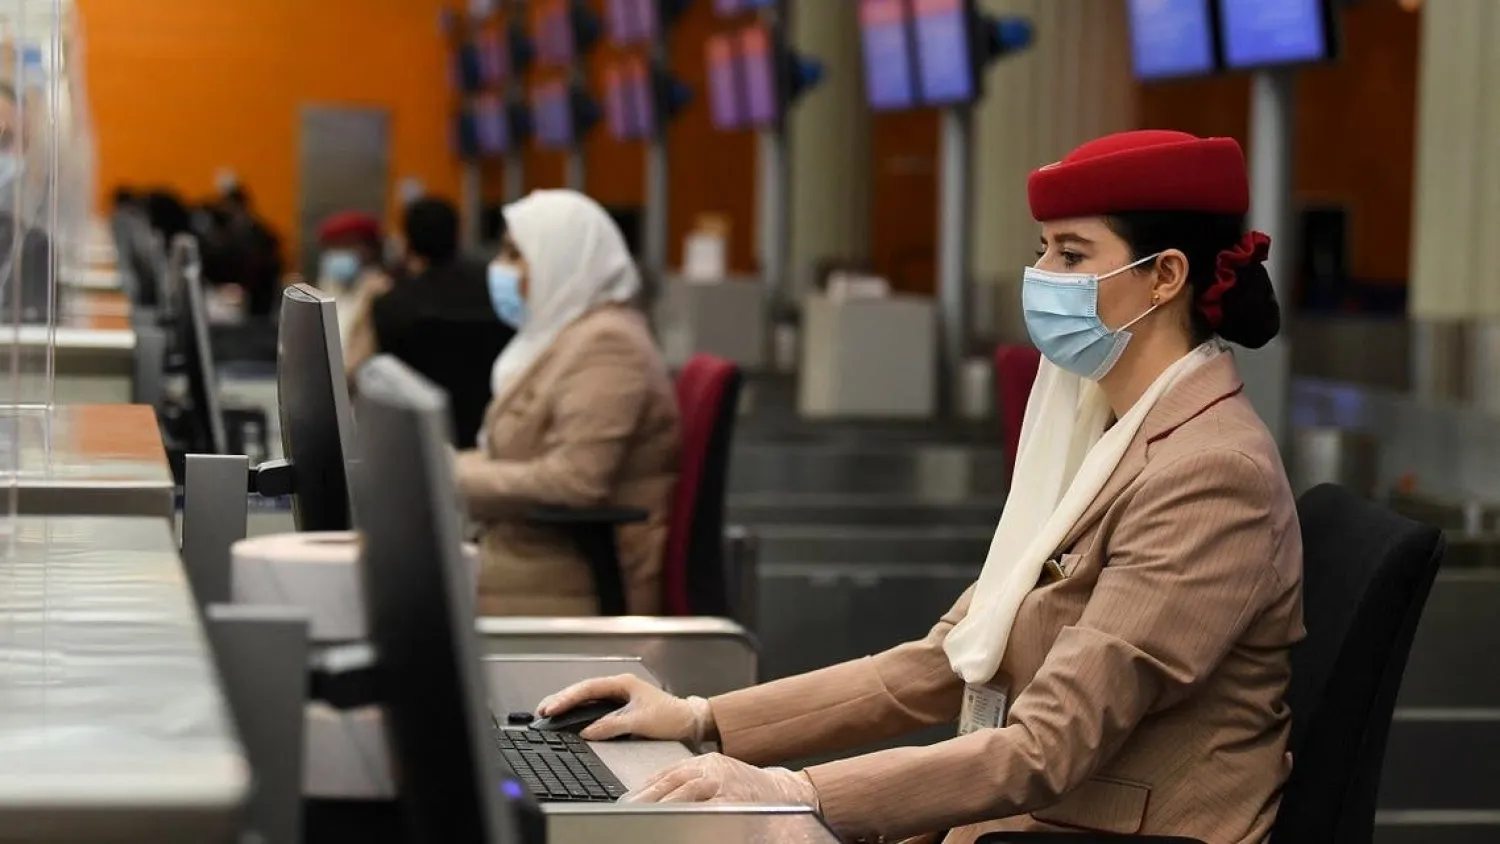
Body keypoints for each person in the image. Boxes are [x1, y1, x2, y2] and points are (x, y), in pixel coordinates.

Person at [537, 131, 1304, 844]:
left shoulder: (1209, 472)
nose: (1042, 278)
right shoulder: (1099, 432)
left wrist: (798, 793)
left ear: (1165, 276)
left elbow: (1050, 746)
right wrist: (700, 719)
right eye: (1042, 250)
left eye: (1072, 255)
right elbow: (944, 663)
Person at [452, 189, 679, 616]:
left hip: (573, 577)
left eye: (517, 254)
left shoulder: (609, 346)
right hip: (531, 554)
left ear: (564, 258)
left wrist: (449, 475)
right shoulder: (563, 338)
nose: (500, 269)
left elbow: (575, 482)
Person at [313, 210, 391, 360]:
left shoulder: (381, 289)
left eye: (348, 244)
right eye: (334, 246)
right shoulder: (326, 286)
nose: (339, 252)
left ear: (370, 248)